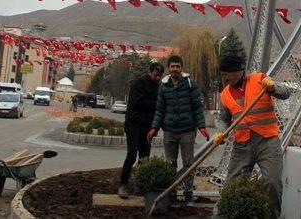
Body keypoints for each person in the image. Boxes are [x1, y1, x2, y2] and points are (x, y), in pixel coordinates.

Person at [212, 55, 291, 219]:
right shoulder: (225, 94)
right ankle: (219, 216)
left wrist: (272, 87)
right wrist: (221, 132)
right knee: (231, 186)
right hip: (242, 146)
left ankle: (272, 216)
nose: (224, 77)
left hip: (267, 142)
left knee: (272, 183)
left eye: (226, 73)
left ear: (238, 71)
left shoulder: (259, 79)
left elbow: (286, 93)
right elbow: (223, 118)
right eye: (222, 74)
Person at [149, 55, 209, 202]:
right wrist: (154, 128)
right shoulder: (163, 87)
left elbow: (197, 107)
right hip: (169, 131)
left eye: (177, 66)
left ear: (181, 68)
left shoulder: (190, 84)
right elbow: (160, 110)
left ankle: (188, 193)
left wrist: (202, 126)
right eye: (172, 66)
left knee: (188, 163)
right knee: (170, 164)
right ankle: (172, 193)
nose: (175, 69)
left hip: (187, 130)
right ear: (169, 68)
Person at [118, 62, 165, 199]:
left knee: (144, 157)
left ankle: (140, 184)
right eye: (156, 75)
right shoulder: (138, 83)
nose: (158, 78)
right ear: (150, 72)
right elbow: (138, 102)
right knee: (132, 154)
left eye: (160, 76)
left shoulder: (159, 87)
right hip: (133, 124)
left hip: (147, 126)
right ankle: (123, 183)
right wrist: (157, 105)